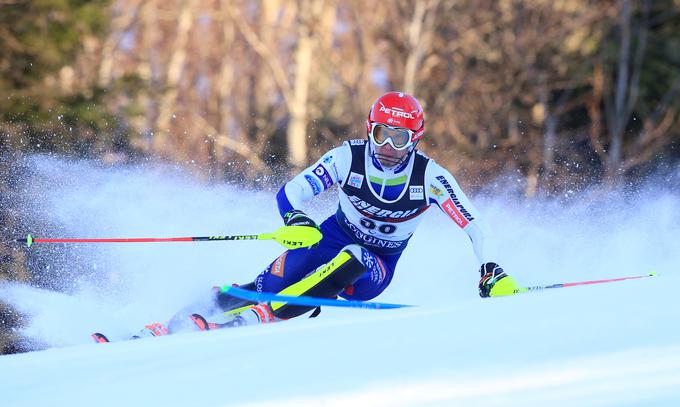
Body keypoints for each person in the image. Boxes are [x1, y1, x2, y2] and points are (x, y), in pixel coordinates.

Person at [202, 91, 518, 329]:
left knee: (353, 256)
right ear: (370, 130)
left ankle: (259, 319)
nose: (388, 147)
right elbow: (292, 191)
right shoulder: (346, 158)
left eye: (400, 138)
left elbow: (475, 225)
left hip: (376, 266)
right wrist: (295, 217)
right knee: (268, 286)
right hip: (328, 237)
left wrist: (490, 268)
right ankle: (205, 309)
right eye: (382, 134)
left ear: (414, 140)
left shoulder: (431, 178)